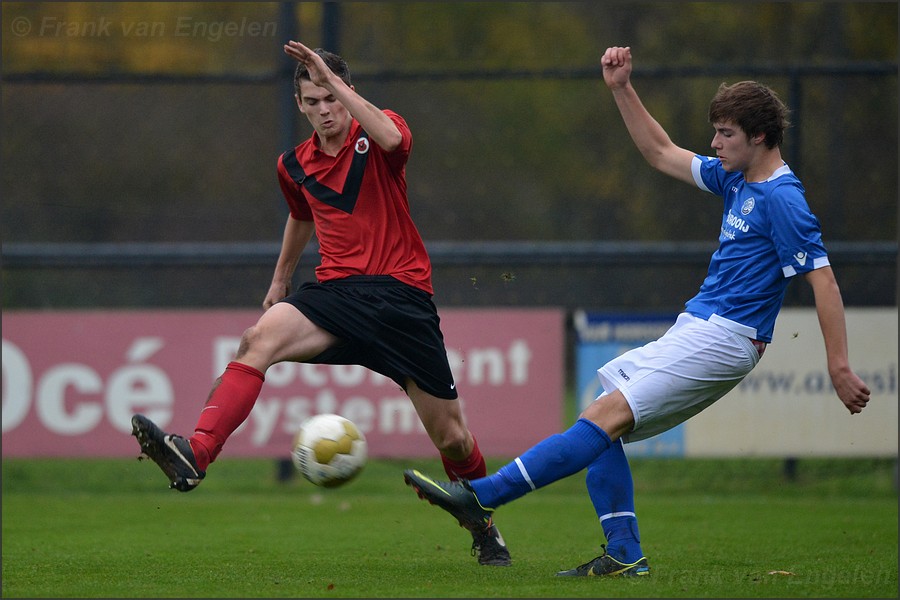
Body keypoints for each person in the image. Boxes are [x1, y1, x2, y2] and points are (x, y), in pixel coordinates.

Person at [403, 45, 871, 577]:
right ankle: (624, 553)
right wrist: (622, 88)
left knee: (603, 417)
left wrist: (838, 367)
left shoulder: (784, 199)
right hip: (699, 326)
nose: (715, 145)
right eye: (716, 133)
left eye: (726, 135)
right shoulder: (736, 178)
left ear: (760, 137)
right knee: (601, 413)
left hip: (727, 337)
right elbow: (660, 152)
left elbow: (824, 280)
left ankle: (483, 497)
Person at [130, 40, 511, 567]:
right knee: (257, 340)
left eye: (331, 97)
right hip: (336, 294)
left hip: (401, 297)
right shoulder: (294, 165)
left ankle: (483, 524)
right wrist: (281, 277)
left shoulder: (378, 135)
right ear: (301, 106)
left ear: (346, 93)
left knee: (451, 435)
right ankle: (194, 455)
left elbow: (392, 136)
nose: (325, 110)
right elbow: (302, 214)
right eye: (313, 101)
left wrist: (338, 84)